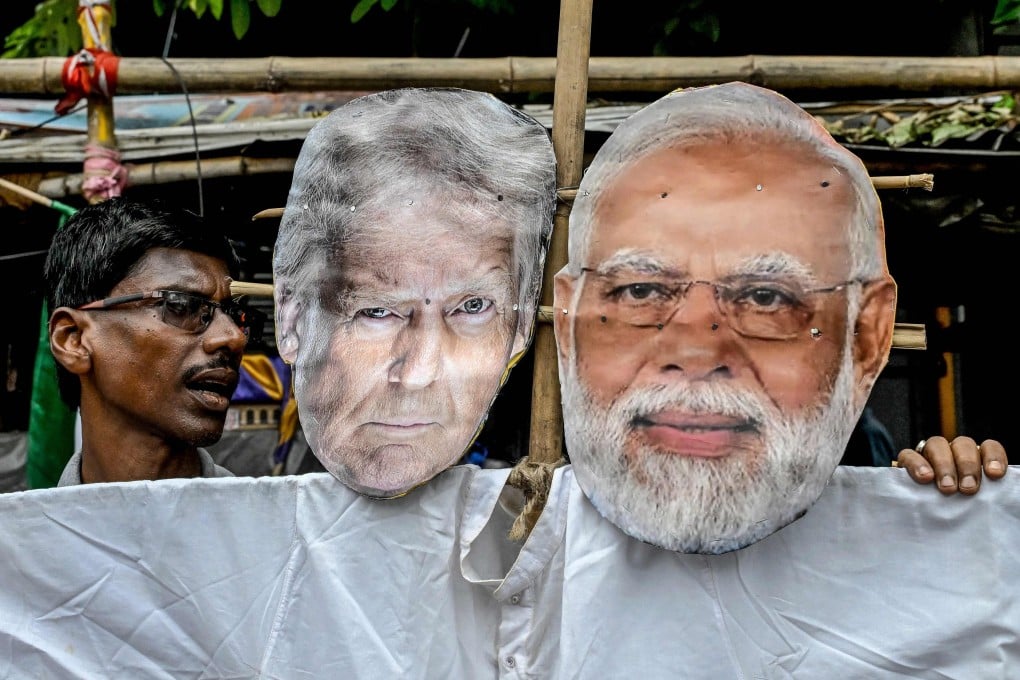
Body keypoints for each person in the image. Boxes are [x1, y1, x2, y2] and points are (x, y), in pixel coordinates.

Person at [553, 82, 1007, 554]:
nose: (697, 352)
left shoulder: (885, 497)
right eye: (640, 291)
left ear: (867, 334)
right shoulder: (511, 544)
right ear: (565, 322)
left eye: (766, 298)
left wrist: (944, 504)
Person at [272, 87, 556, 498]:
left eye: (472, 306)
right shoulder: (233, 525)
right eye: (377, 312)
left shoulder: (533, 534)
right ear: (292, 317)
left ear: (521, 325)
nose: (419, 373)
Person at [44, 197, 265, 485]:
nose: (233, 337)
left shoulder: (266, 526)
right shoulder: (28, 529)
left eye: (237, 315)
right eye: (181, 306)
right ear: (73, 339)